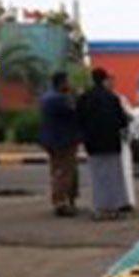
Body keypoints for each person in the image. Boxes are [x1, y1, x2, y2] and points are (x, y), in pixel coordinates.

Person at [76, 68, 132, 220]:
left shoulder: (84, 98)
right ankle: (113, 207)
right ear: (105, 79)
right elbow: (122, 121)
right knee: (113, 176)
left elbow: (78, 120)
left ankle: (100, 208)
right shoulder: (112, 98)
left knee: (97, 177)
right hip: (112, 142)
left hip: (93, 143)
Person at [37, 72, 80, 216]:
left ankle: (62, 199)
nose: (69, 84)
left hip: (50, 140)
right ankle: (61, 202)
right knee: (65, 171)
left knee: (56, 170)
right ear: (61, 83)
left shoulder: (45, 97)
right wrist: (75, 96)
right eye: (67, 82)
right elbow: (74, 113)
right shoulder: (60, 99)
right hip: (63, 141)